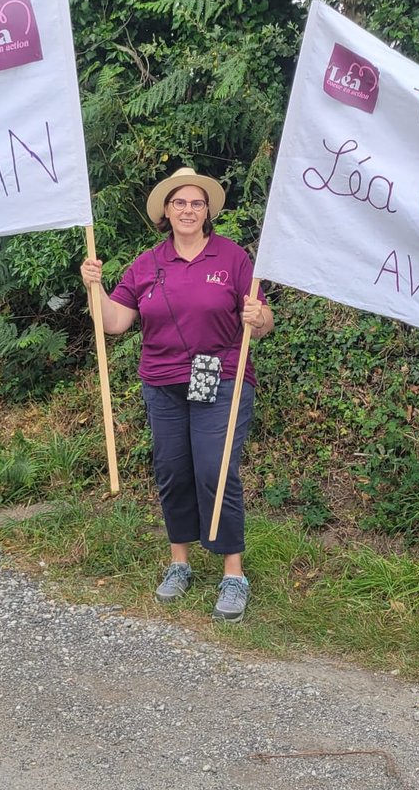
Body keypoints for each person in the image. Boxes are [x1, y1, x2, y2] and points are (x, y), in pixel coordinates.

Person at [80, 167, 273, 622]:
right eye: (180, 203)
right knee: (172, 472)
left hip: (221, 378)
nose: (188, 210)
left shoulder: (232, 258)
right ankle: (179, 564)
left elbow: (263, 322)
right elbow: (114, 322)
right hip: (162, 383)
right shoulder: (147, 264)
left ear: (207, 211)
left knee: (214, 470)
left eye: (196, 203)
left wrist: (259, 318)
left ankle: (233, 574)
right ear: (166, 211)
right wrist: (95, 287)